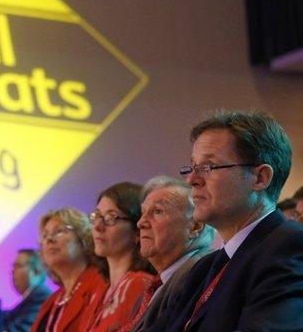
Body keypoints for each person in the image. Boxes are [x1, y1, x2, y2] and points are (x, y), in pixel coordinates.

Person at [162, 110, 303, 331]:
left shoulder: (290, 249)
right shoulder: (204, 268)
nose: (192, 179)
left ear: (260, 178)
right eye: (193, 167)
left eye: (208, 167)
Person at [130, 176, 215, 331]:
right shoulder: (167, 281)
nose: (141, 222)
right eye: (143, 212)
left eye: (157, 211)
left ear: (195, 226)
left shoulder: (198, 278)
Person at [81, 182, 156, 332]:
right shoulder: (101, 289)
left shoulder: (141, 285)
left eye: (111, 218)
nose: (97, 226)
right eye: (97, 216)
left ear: (137, 230)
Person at [30, 207, 107, 332]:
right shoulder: (51, 300)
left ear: (83, 238)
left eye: (59, 231)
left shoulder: (102, 283)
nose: (49, 239)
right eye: (45, 235)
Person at [2, 249, 51, 332]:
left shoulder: (41, 297)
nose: (12, 271)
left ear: (36, 272)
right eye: (13, 266)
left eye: (18, 266)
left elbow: (22, 329)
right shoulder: (30, 298)